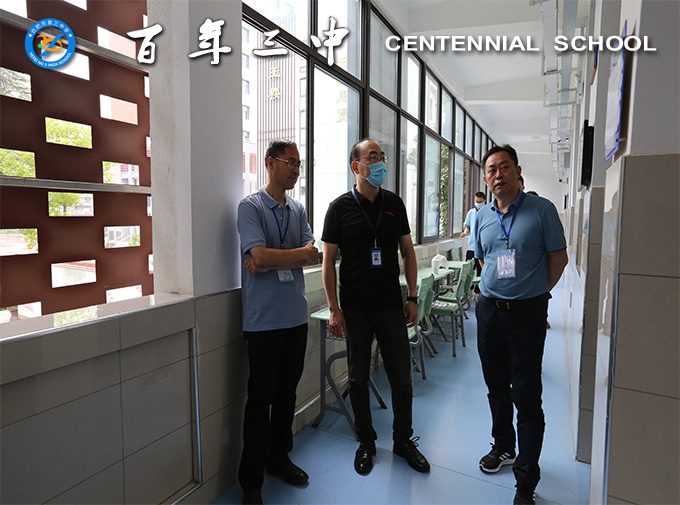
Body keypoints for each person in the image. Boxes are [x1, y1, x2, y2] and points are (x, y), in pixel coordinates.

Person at [321, 138, 430, 476]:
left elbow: (407, 252)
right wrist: (334, 308)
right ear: (356, 166)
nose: (381, 161)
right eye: (373, 157)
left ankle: (403, 441)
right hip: (355, 309)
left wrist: (412, 296)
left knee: (401, 378)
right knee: (358, 378)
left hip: (390, 307)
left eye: (382, 156)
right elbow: (328, 262)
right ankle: (365, 441)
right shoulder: (339, 208)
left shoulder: (394, 203)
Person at [472, 145, 568, 505]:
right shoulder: (482, 216)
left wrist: (536, 293)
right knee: (496, 387)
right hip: (489, 312)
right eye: (491, 170)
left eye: (504, 167)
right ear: (485, 178)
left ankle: (526, 479)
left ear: (517, 171)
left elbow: (559, 258)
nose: (498, 175)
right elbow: (483, 259)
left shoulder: (541, 210)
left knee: (527, 395)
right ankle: (503, 446)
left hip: (527, 315)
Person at [237, 140, 318, 505]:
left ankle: (279, 459)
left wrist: (271, 259)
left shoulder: (297, 209)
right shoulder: (250, 206)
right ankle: (251, 481)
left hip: (295, 318)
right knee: (260, 401)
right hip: (263, 323)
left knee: (287, 396)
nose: (296, 170)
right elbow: (258, 255)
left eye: (299, 164)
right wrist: (278, 257)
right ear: (270, 163)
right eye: (290, 162)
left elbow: (313, 254)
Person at [460, 191, 487, 281]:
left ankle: (478, 288)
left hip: (482, 247)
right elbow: (468, 226)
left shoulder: (488, 212)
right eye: (476, 202)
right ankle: (469, 288)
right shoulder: (471, 212)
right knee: (468, 272)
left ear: (484, 201)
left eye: (480, 202)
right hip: (472, 247)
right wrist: (465, 233)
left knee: (481, 272)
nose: (478, 204)